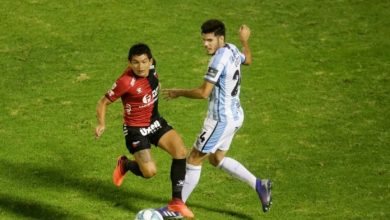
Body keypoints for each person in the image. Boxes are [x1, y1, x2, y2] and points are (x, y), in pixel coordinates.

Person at [162, 19, 272, 213]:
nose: (206, 44)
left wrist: (179, 92)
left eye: (210, 40)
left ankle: (177, 209)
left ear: (220, 38)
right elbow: (248, 59)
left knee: (194, 159)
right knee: (216, 158)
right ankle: (258, 184)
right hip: (236, 116)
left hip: (220, 120)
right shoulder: (231, 48)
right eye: (204, 40)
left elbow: (204, 92)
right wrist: (245, 40)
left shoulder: (218, 59)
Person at [95, 43, 193, 218]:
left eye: (143, 61)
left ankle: (176, 202)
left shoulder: (153, 68)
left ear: (151, 61)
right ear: (129, 63)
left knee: (180, 151)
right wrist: (102, 124)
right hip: (136, 130)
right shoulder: (125, 82)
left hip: (155, 122)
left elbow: (154, 80)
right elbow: (103, 102)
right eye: (135, 62)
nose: (140, 67)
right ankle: (125, 164)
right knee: (149, 172)